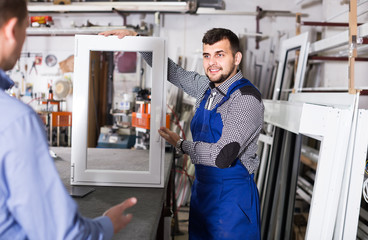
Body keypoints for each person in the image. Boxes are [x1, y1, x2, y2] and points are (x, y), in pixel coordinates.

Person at [100, 27, 264, 239]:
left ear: (237, 58)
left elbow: (223, 156)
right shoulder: (206, 87)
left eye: (220, 55)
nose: (212, 62)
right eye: (207, 55)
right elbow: (172, 72)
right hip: (203, 193)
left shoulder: (245, 98)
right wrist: (139, 41)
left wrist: (181, 144)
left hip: (232, 202)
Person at [0, 0, 137, 239]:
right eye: (26, 30)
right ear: (12, 30)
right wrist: (106, 224)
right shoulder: (16, 120)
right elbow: (62, 233)